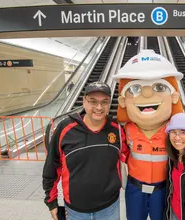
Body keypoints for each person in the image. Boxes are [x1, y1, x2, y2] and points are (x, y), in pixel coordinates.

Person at [112, 49, 184, 220]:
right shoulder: (125, 129)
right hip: (135, 187)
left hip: (164, 188)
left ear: (174, 97)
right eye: (135, 88)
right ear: (123, 100)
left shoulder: (175, 131)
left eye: (159, 86)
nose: (147, 94)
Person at [42, 81, 126, 220]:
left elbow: (128, 158)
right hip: (76, 211)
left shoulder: (116, 130)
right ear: (84, 101)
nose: (99, 107)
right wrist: (51, 202)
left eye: (104, 102)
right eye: (93, 101)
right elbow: (52, 166)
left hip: (110, 207)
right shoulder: (65, 129)